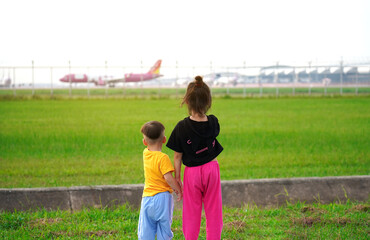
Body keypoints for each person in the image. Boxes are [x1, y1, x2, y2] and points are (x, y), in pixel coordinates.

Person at [166, 76, 223, 240]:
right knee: (214, 210)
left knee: (191, 211)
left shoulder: (181, 127)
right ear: (208, 101)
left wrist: (177, 178)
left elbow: (177, 156)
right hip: (212, 169)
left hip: (192, 174)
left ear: (187, 101)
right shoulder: (213, 122)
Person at [138, 121, 183, 240]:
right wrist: (178, 189)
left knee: (146, 229)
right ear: (164, 139)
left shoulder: (145, 153)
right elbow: (168, 178)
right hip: (163, 198)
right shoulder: (163, 158)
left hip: (147, 198)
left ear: (144, 142)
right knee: (164, 229)